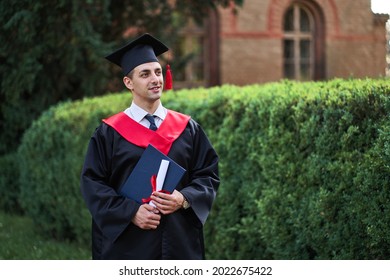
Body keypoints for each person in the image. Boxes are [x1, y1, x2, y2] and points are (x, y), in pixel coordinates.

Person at [80, 33, 219, 260]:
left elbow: (208, 174)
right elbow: (93, 183)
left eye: (157, 72)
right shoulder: (109, 132)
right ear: (129, 83)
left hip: (179, 241)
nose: (155, 79)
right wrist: (131, 212)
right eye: (145, 74)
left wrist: (183, 198)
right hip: (128, 245)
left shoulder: (188, 128)